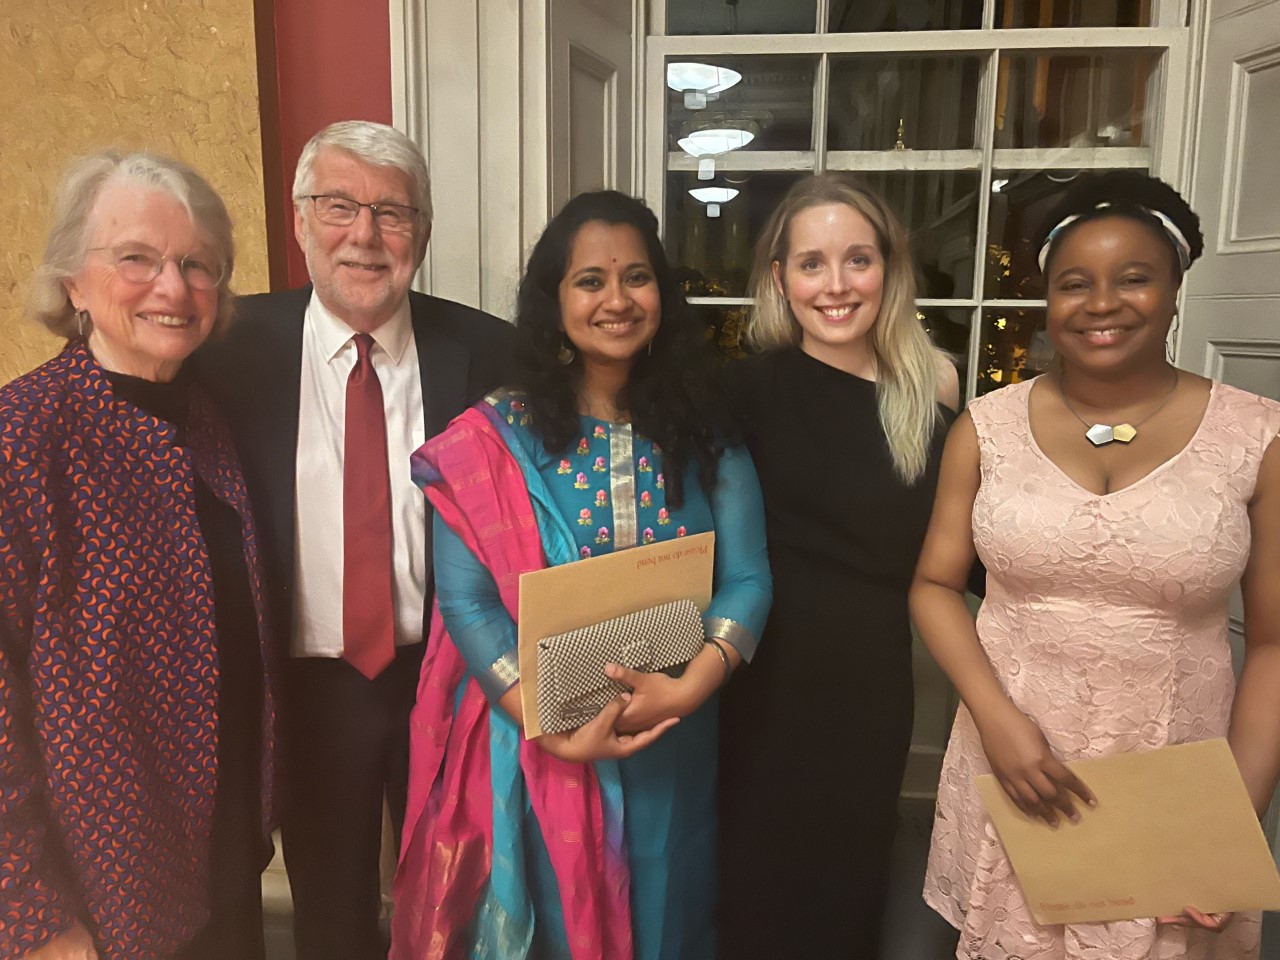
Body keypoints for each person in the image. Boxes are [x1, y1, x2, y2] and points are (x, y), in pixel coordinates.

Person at [390, 189, 772, 959]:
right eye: (590, 280)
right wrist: (545, 722)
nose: (616, 300)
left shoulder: (705, 431)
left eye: (637, 277)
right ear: (555, 300)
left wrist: (690, 688)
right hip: (544, 743)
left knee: (666, 917)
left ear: (662, 294)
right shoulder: (493, 440)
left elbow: (748, 578)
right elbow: (466, 601)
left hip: (673, 732)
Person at [912, 170, 1280, 959]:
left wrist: (1232, 825)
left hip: (1171, 774)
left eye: (1134, 278)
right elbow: (934, 587)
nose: (1102, 303)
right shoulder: (986, 426)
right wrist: (996, 721)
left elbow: (1276, 646)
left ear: (1174, 290)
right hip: (1016, 760)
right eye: (1075, 283)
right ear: (1049, 299)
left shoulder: (1258, 437)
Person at [193, 121, 513, 960]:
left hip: (448, 678)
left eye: (392, 213)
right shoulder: (226, 349)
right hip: (303, 689)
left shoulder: (489, 353)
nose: (364, 235)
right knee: (329, 915)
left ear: (423, 232)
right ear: (300, 220)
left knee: (460, 908)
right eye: (339, 206)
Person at [0, 151, 276, 960]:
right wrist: (30, 910)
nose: (173, 288)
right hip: (99, 894)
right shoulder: (22, 439)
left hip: (225, 852)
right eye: (136, 259)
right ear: (73, 282)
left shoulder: (210, 420)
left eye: (198, 265)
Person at [715, 173, 960, 957]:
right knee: (753, 890)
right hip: (761, 679)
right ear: (779, 277)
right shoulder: (740, 390)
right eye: (811, 263)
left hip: (870, 686)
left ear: (889, 268)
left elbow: (962, 548)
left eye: (858, 259)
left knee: (847, 887)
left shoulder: (934, 386)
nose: (836, 285)